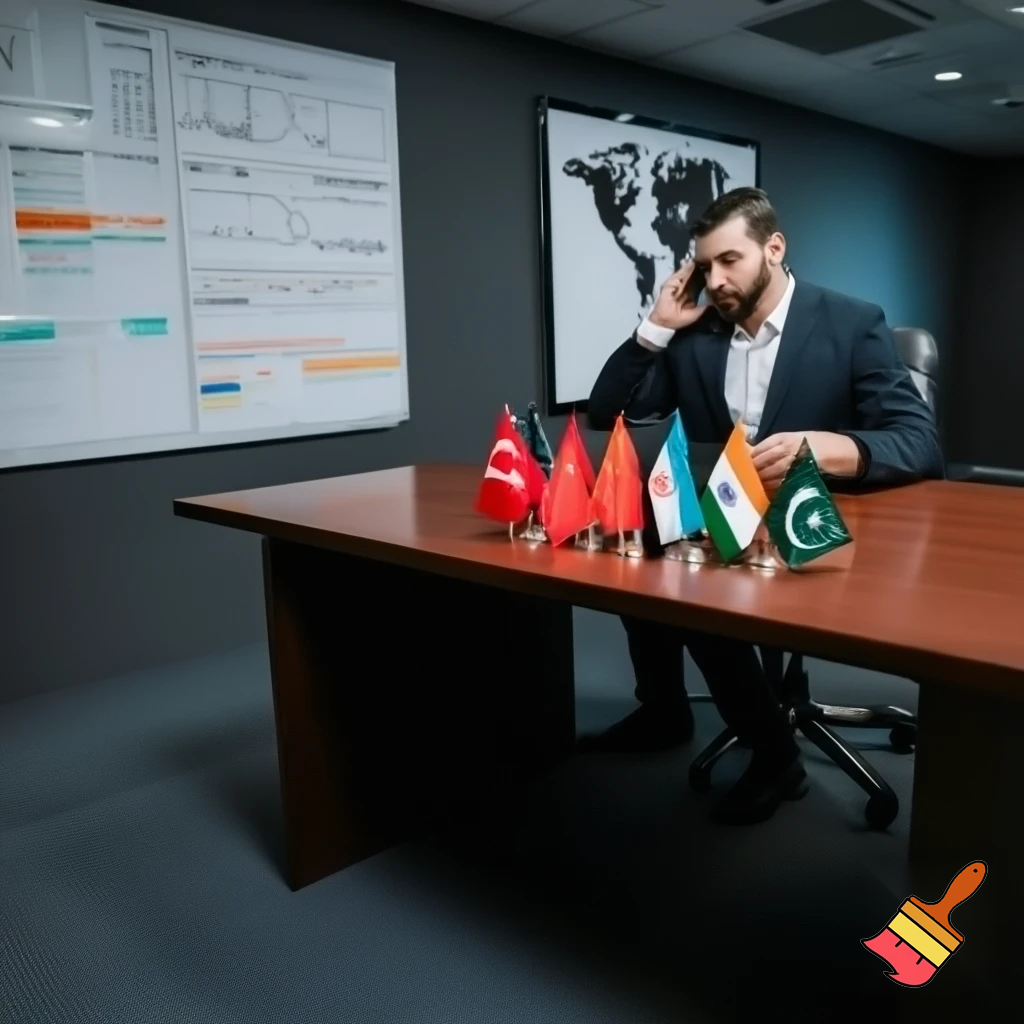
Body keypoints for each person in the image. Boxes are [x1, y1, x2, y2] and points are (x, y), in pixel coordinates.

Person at [583, 186, 944, 825]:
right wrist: (656, 328)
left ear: (773, 248)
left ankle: (777, 758)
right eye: (705, 266)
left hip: (809, 523)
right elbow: (605, 411)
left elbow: (919, 441)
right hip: (722, 516)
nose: (716, 280)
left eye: (731, 261)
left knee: (697, 598)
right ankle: (663, 710)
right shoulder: (697, 337)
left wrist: (836, 447)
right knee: (635, 554)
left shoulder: (851, 320)